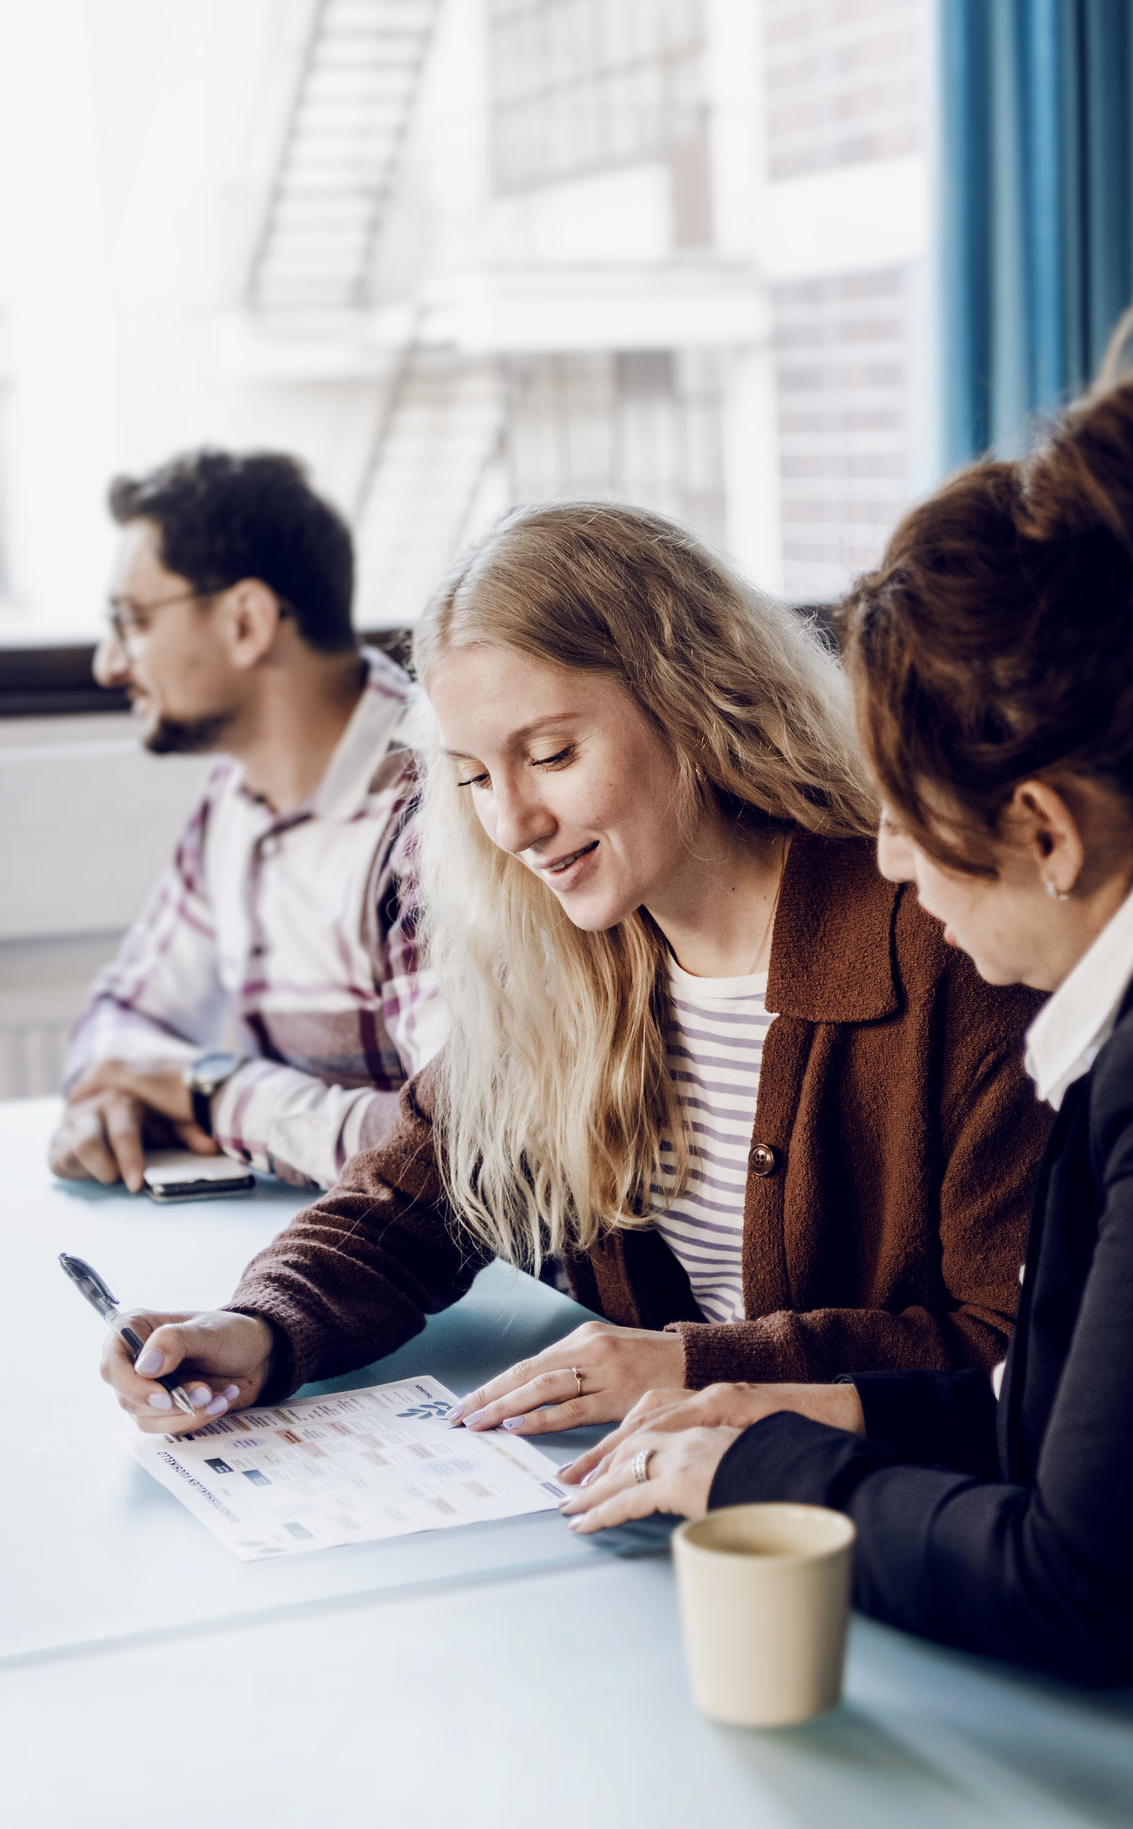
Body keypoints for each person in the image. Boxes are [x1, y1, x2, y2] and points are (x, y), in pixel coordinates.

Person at [558, 365, 1133, 1795]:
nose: (885, 864)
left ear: (1041, 829)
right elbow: (1101, 1421)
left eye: (901, 825)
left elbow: (1085, 1584)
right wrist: (829, 1412)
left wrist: (754, 1480)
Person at [99, 499, 1047, 1432]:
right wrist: (261, 1324)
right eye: (472, 775)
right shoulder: (572, 953)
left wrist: (688, 1366)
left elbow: (1013, 1353)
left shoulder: (951, 949)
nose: (511, 824)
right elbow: (414, 1197)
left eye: (550, 753)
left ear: (696, 698)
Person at [51, 449, 442, 1193]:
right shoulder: (232, 798)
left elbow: (454, 1151)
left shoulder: (434, 811)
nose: (108, 664)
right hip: (319, 1241)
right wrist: (114, 1101)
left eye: (132, 622)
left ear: (246, 622)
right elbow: (117, 1026)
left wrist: (210, 1089)